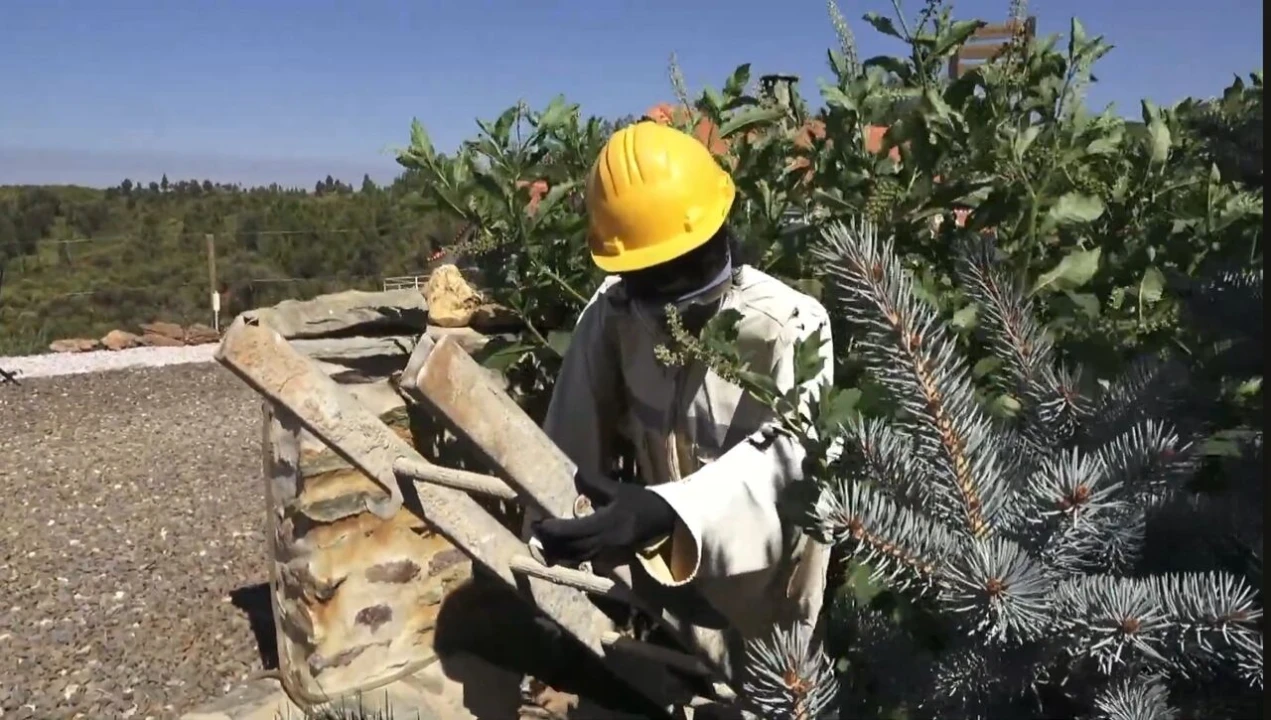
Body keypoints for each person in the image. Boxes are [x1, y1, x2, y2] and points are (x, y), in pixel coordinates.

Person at [530, 120, 835, 680]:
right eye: (658, 275)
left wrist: (672, 512)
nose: (679, 292)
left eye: (690, 265)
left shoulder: (788, 324)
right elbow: (572, 433)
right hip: (663, 592)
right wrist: (553, 536)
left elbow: (794, 461)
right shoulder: (615, 316)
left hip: (764, 599)